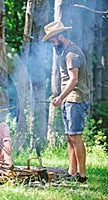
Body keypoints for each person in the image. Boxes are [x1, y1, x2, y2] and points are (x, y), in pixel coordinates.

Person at [42, 21, 90, 183]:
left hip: (75, 100)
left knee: (76, 137)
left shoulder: (71, 54)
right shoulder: (66, 52)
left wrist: (60, 97)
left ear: (60, 37)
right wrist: (63, 99)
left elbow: (74, 79)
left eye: (52, 40)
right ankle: (71, 172)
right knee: (70, 137)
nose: (52, 43)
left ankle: (82, 176)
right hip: (69, 100)